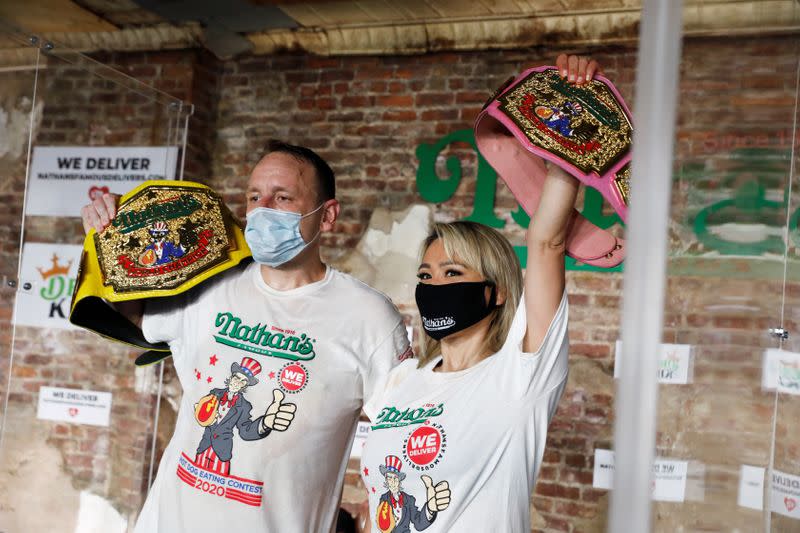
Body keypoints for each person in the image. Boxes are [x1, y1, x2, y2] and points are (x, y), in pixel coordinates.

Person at [81, 140, 412, 532]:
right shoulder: (211, 282)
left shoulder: (368, 317)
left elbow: (405, 433)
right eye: (255, 196)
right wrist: (117, 234)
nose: (263, 209)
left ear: (327, 216)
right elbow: (135, 315)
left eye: (283, 197)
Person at [359, 54, 598, 532]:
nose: (434, 288)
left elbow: (547, 241)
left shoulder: (520, 376)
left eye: (452, 273)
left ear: (498, 292)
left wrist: (575, 110)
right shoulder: (401, 383)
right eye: (425, 277)